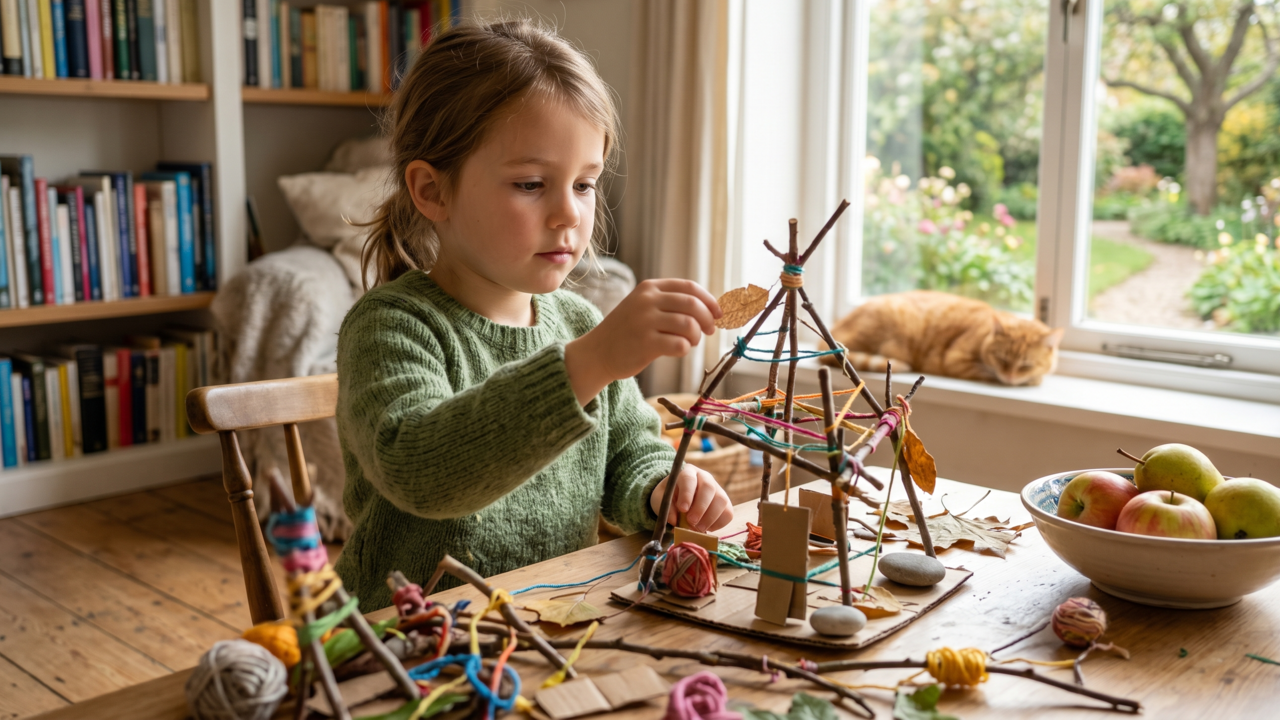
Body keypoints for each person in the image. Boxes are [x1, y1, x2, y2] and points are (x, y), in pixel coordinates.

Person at [335, 19, 734, 610]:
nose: (568, 214)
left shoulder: (573, 320)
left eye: (584, 184)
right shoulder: (392, 325)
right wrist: (589, 363)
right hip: (411, 646)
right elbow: (419, 470)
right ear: (432, 191)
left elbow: (629, 452)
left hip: (550, 624)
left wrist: (662, 488)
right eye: (530, 183)